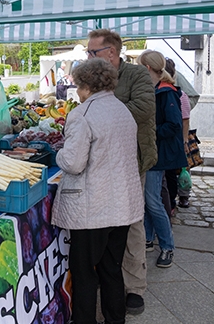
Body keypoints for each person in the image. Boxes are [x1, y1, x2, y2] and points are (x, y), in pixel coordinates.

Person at [51, 58, 143, 324]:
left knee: (84, 274)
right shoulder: (122, 109)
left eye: (78, 87)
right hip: (122, 206)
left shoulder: (83, 114)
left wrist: (58, 154)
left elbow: (73, 163)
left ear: (87, 86)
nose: (77, 93)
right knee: (111, 270)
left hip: (93, 209)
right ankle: (116, 320)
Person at [86, 29, 157, 315]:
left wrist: (102, 111)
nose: (88, 57)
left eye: (92, 52)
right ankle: (109, 275)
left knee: (132, 221)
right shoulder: (93, 78)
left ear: (111, 53)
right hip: (100, 161)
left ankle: (135, 287)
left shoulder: (137, 75)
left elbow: (143, 108)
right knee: (105, 220)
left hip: (132, 159)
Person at [137, 50, 188, 269]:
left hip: (160, 154)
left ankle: (167, 246)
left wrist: (150, 131)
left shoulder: (166, 92)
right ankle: (148, 238)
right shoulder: (157, 89)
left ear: (147, 68)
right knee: (150, 199)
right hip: (154, 153)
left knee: (152, 200)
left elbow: (174, 125)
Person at [164, 58, 192, 210]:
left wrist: (184, 140)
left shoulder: (180, 95)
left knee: (175, 172)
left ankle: (180, 198)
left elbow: (185, 120)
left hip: (176, 140)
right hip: (172, 140)